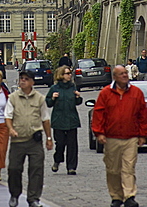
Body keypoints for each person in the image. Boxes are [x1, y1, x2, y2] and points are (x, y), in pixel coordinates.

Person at [91, 65, 147, 207]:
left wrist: (142, 134)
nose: (124, 75)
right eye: (121, 74)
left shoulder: (136, 93)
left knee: (128, 168)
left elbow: (142, 115)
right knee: (113, 169)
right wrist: (99, 132)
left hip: (131, 137)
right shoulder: (106, 93)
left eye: (125, 73)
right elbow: (99, 114)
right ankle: (116, 196)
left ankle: (129, 196)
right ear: (114, 77)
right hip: (111, 137)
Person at [5, 70, 53, 207]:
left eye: (26, 79)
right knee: (14, 169)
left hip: (34, 140)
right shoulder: (13, 97)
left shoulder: (39, 98)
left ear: (32, 82)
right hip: (17, 140)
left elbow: (45, 119)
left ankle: (33, 198)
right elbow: (8, 116)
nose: (23, 81)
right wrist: (11, 129)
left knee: (36, 169)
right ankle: (14, 195)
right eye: (21, 79)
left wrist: (49, 138)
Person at [46, 66, 82, 175]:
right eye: (67, 73)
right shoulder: (55, 88)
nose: (69, 75)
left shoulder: (73, 87)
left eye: (70, 73)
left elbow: (78, 102)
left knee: (72, 145)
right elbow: (48, 103)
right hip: (59, 120)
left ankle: (71, 167)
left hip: (71, 120)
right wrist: (52, 98)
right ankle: (57, 160)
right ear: (61, 75)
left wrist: (78, 97)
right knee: (60, 144)